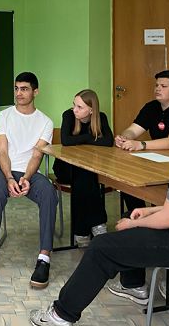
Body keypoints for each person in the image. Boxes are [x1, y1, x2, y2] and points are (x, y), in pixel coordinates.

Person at [29, 100, 169, 325]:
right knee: (131, 219)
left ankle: (61, 315)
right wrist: (148, 212)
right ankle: (132, 285)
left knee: (101, 247)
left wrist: (134, 224)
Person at [0, 72, 57, 289]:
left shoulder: (45, 122)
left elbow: (37, 155)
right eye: (16, 88)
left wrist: (27, 178)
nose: (19, 93)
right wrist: (10, 177)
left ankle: (44, 258)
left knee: (49, 193)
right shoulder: (3, 116)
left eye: (24, 89)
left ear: (35, 92)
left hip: (30, 172)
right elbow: (2, 151)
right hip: (3, 170)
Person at [115, 70, 169, 211]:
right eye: (156, 85)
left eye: (163, 86)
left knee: (160, 193)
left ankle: (158, 215)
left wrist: (141, 144)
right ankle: (137, 213)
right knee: (128, 177)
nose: (158, 89)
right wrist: (124, 137)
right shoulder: (151, 107)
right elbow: (133, 130)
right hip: (155, 156)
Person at [52, 89, 113, 246]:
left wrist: (80, 139)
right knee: (85, 176)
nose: (75, 110)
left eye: (80, 107)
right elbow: (66, 141)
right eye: (74, 105)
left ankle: (81, 230)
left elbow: (108, 141)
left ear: (91, 110)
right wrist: (90, 137)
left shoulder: (101, 117)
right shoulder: (68, 115)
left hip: (88, 167)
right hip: (65, 167)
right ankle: (98, 223)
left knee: (85, 177)